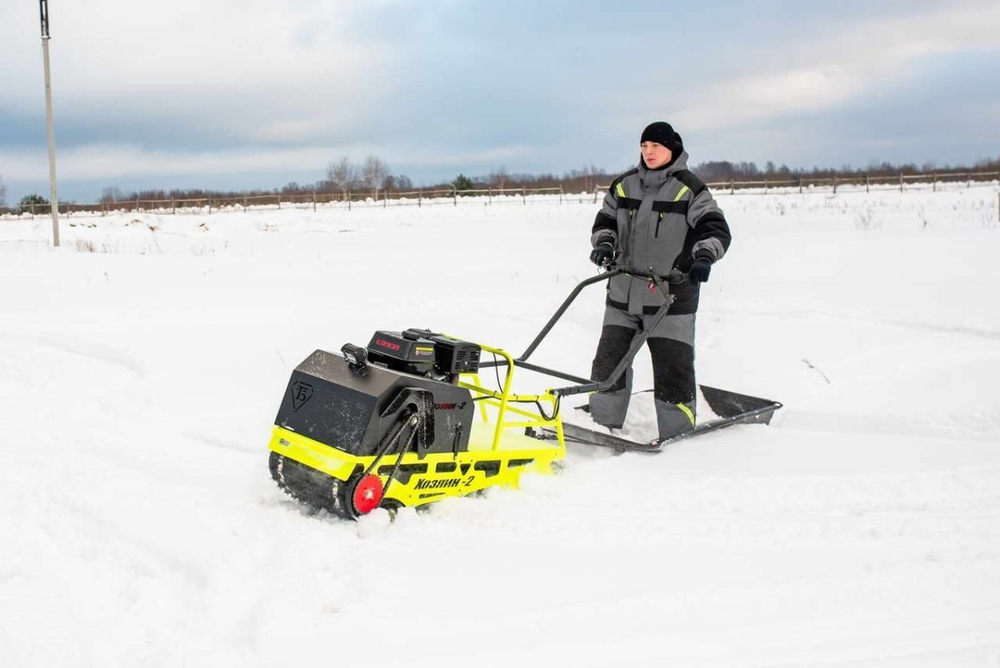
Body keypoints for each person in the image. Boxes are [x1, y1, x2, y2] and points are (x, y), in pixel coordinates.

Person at [588, 121, 731, 439]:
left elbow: (715, 228)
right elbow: (605, 221)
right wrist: (604, 243)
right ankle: (599, 427)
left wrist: (704, 256)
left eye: (656, 146)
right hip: (623, 293)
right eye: (644, 146)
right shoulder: (623, 186)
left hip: (671, 296)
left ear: (672, 149)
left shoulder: (689, 189)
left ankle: (677, 436)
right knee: (608, 362)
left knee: (672, 370)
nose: (649, 152)